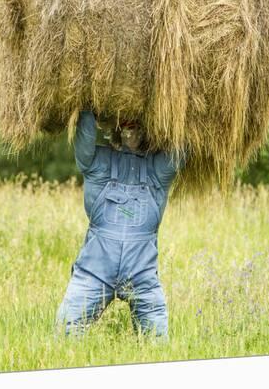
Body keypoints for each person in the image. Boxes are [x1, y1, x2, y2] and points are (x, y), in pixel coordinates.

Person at [55, 110, 186, 338]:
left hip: (142, 275)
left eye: (137, 125)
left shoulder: (158, 170)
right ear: (116, 130)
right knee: (66, 330)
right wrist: (89, 103)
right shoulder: (99, 163)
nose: (131, 128)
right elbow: (84, 140)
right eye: (126, 124)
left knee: (158, 340)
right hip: (94, 271)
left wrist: (179, 103)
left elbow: (183, 145)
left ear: (150, 132)